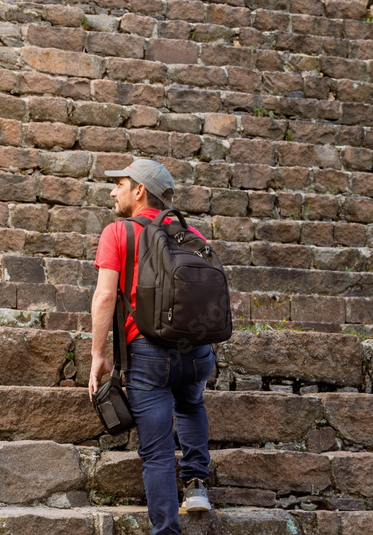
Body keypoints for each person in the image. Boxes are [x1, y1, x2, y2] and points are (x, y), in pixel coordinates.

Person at [87, 158, 215, 535]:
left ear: (140, 190)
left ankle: (167, 530)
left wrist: (98, 354)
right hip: (197, 351)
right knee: (191, 404)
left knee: (157, 452)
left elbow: (104, 297)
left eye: (120, 184)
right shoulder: (192, 235)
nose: (113, 192)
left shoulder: (118, 232)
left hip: (147, 353)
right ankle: (196, 485)